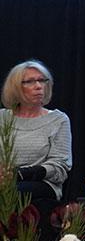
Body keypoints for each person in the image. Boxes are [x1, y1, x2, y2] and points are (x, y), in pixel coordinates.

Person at [1, 61, 72, 225]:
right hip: (4, 180)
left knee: (12, 193)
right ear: (16, 87)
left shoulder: (58, 120)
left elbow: (60, 166)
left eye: (42, 80)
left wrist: (20, 174)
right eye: (30, 81)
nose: (39, 86)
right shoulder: (2, 119)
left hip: (42, 184)